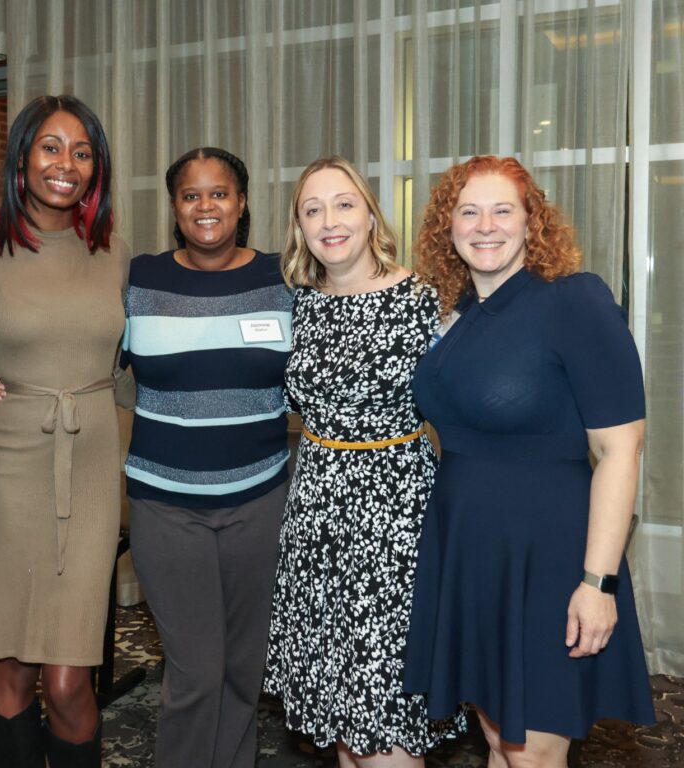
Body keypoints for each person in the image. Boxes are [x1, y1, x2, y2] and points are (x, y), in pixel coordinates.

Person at [402, 155, 655, 767]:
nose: (485, 226)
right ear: (448, 225)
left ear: (530, 222)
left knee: (534, 752)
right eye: (469, 211)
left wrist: (598, 584)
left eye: (502, 210)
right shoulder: (453, 311)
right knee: (498, 738)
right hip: (469, 552)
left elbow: (620, 448)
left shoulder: (573, 301)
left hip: (549, 556)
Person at [0, 94, 129, 768]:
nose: (67, 164)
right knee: (12, 669)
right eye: (51, 147)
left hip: (86, 471)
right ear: (22, 158)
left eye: (82, 152)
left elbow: (132, 355)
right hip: (8, 475)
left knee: (69, 676)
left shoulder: (113, 251)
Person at [264, 156, 462, 767]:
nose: (331, 221)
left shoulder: (426, 300)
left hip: (396, 519)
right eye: (313, 208)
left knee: (385, 725)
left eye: (344, 203)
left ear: (371, 214)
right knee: (349, 731)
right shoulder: (297, 305)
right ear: (299, 226)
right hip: (318, 515)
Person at [120, 147, 292, 768]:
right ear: (174, 207)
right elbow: (81, 358)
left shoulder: (284, 278)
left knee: (246, 668)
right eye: (191, 195)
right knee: (195, 672)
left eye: (219, 192)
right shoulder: (140, 279)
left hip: (260, 500)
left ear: (242, 203)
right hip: (166, 506)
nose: (205, 206)